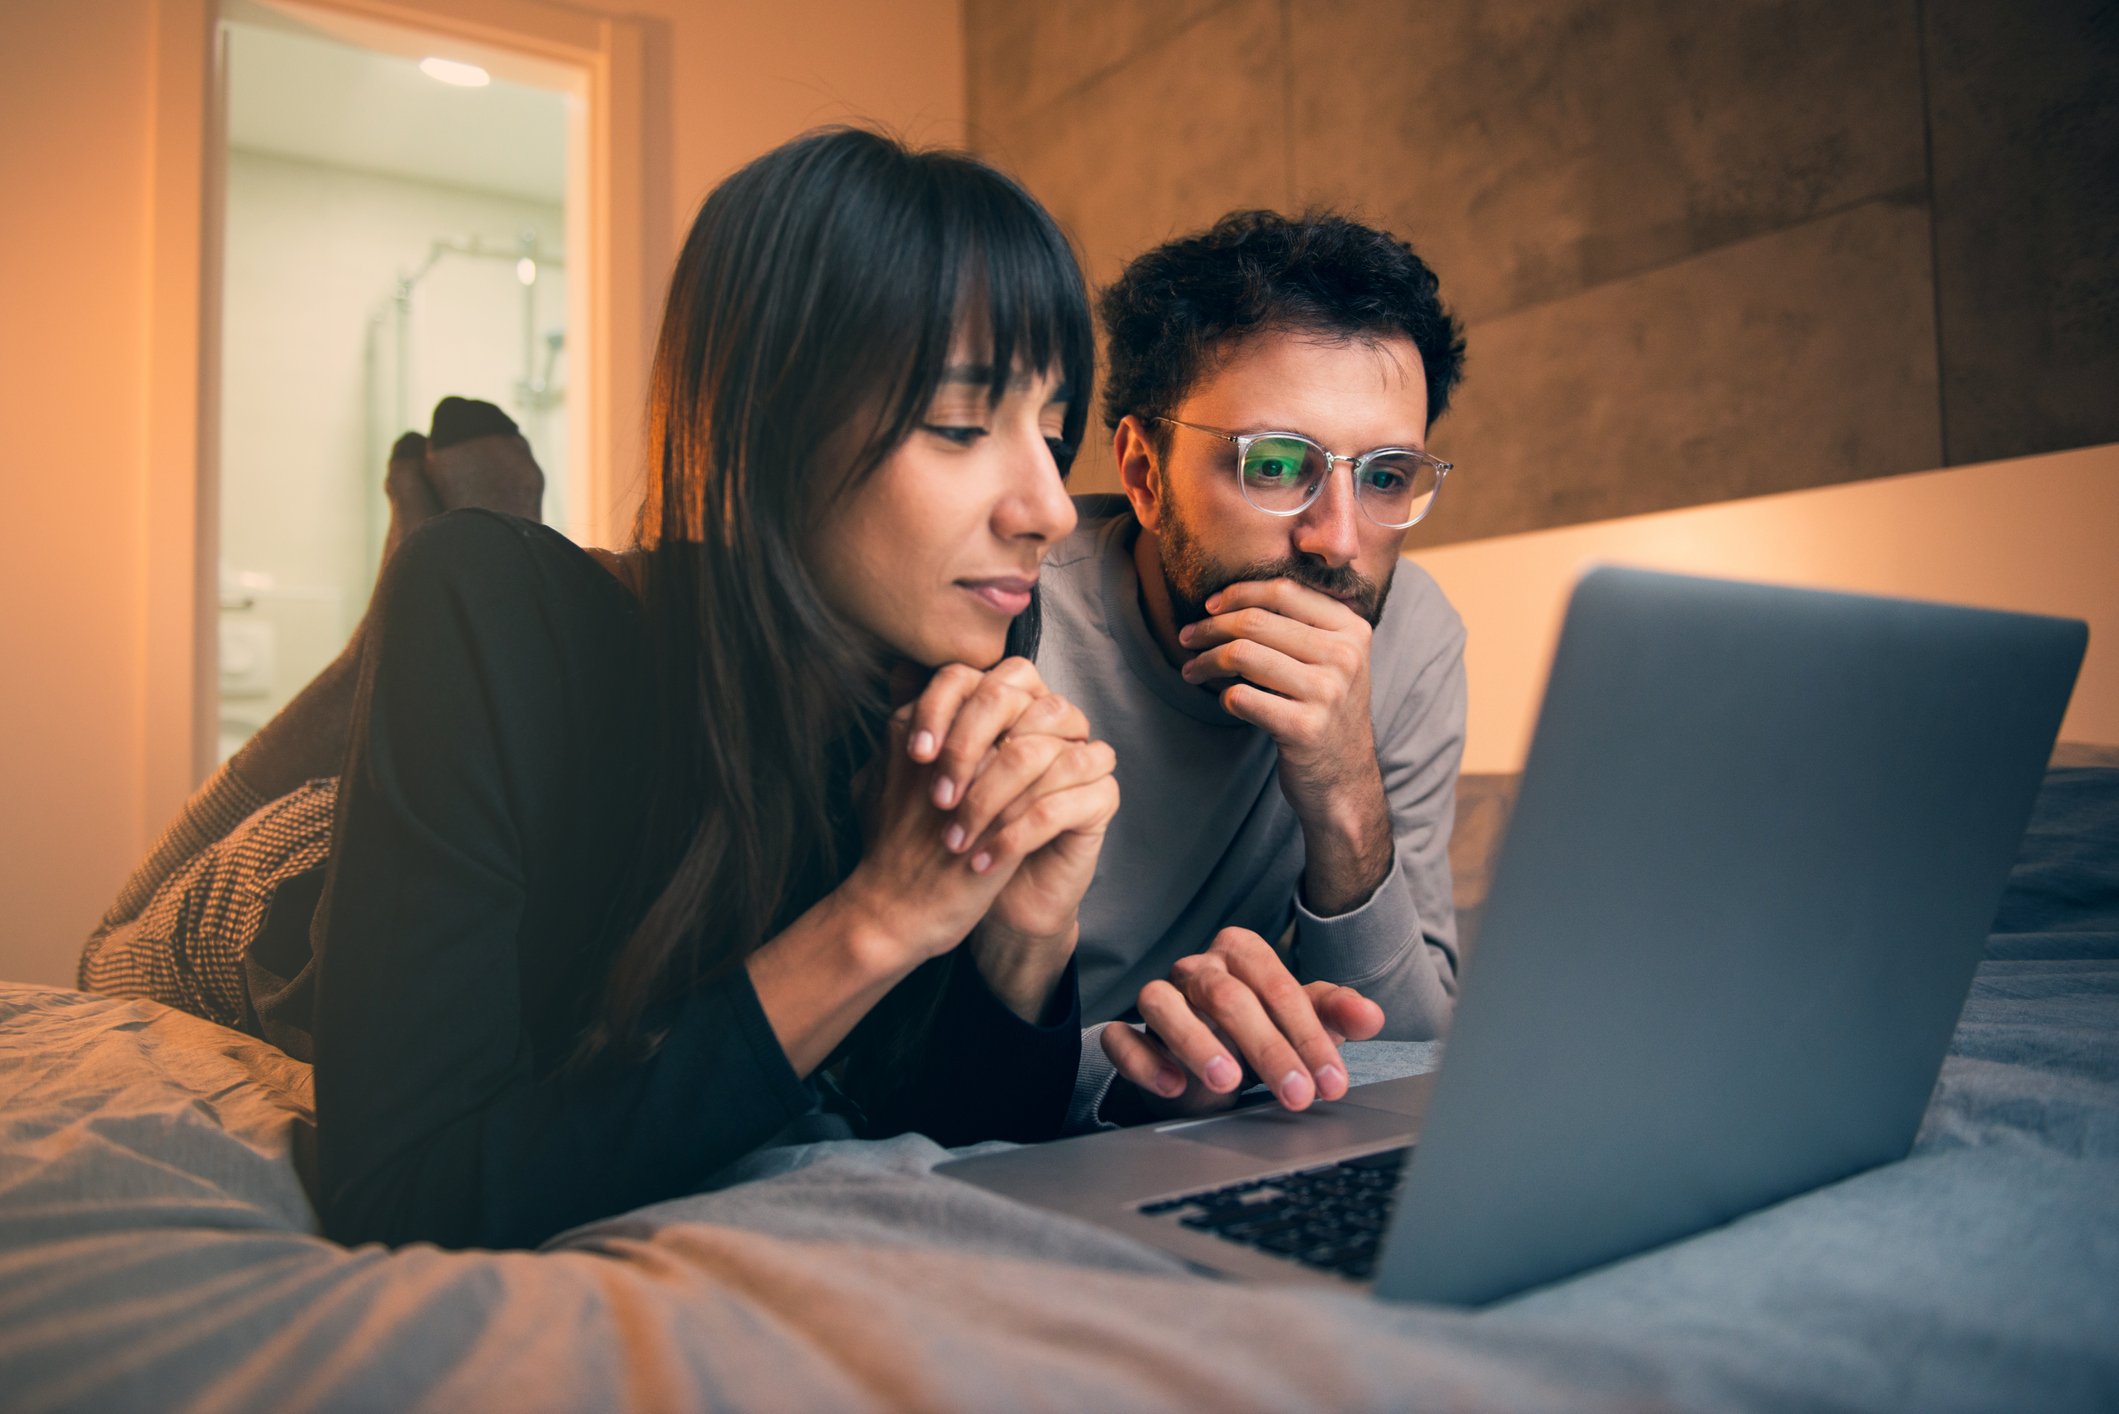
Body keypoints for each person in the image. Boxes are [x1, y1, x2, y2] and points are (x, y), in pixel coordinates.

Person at [80, 126, 1117, 1250]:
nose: (1051, 509)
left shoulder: (951, 656)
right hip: (272, 903)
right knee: (442, 615)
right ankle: (421, 585)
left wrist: (1026, 932)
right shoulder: (497, 621)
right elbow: (407, 1191)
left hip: (570, 720)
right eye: (961, 427)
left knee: (475, 614)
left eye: (1054, 434)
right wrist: (875, 921)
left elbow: (960, 1154)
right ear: (769, 425)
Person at [1033, 210, 1469, 1128]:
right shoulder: (1006, 618)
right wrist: (1119, 1078)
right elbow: (893, 1049)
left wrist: (1346, 792)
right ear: (1145, 474)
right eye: (1275, 466)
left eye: (1385, 477)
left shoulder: (1414, 634)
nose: (1337, 541)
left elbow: (1418, 1052)